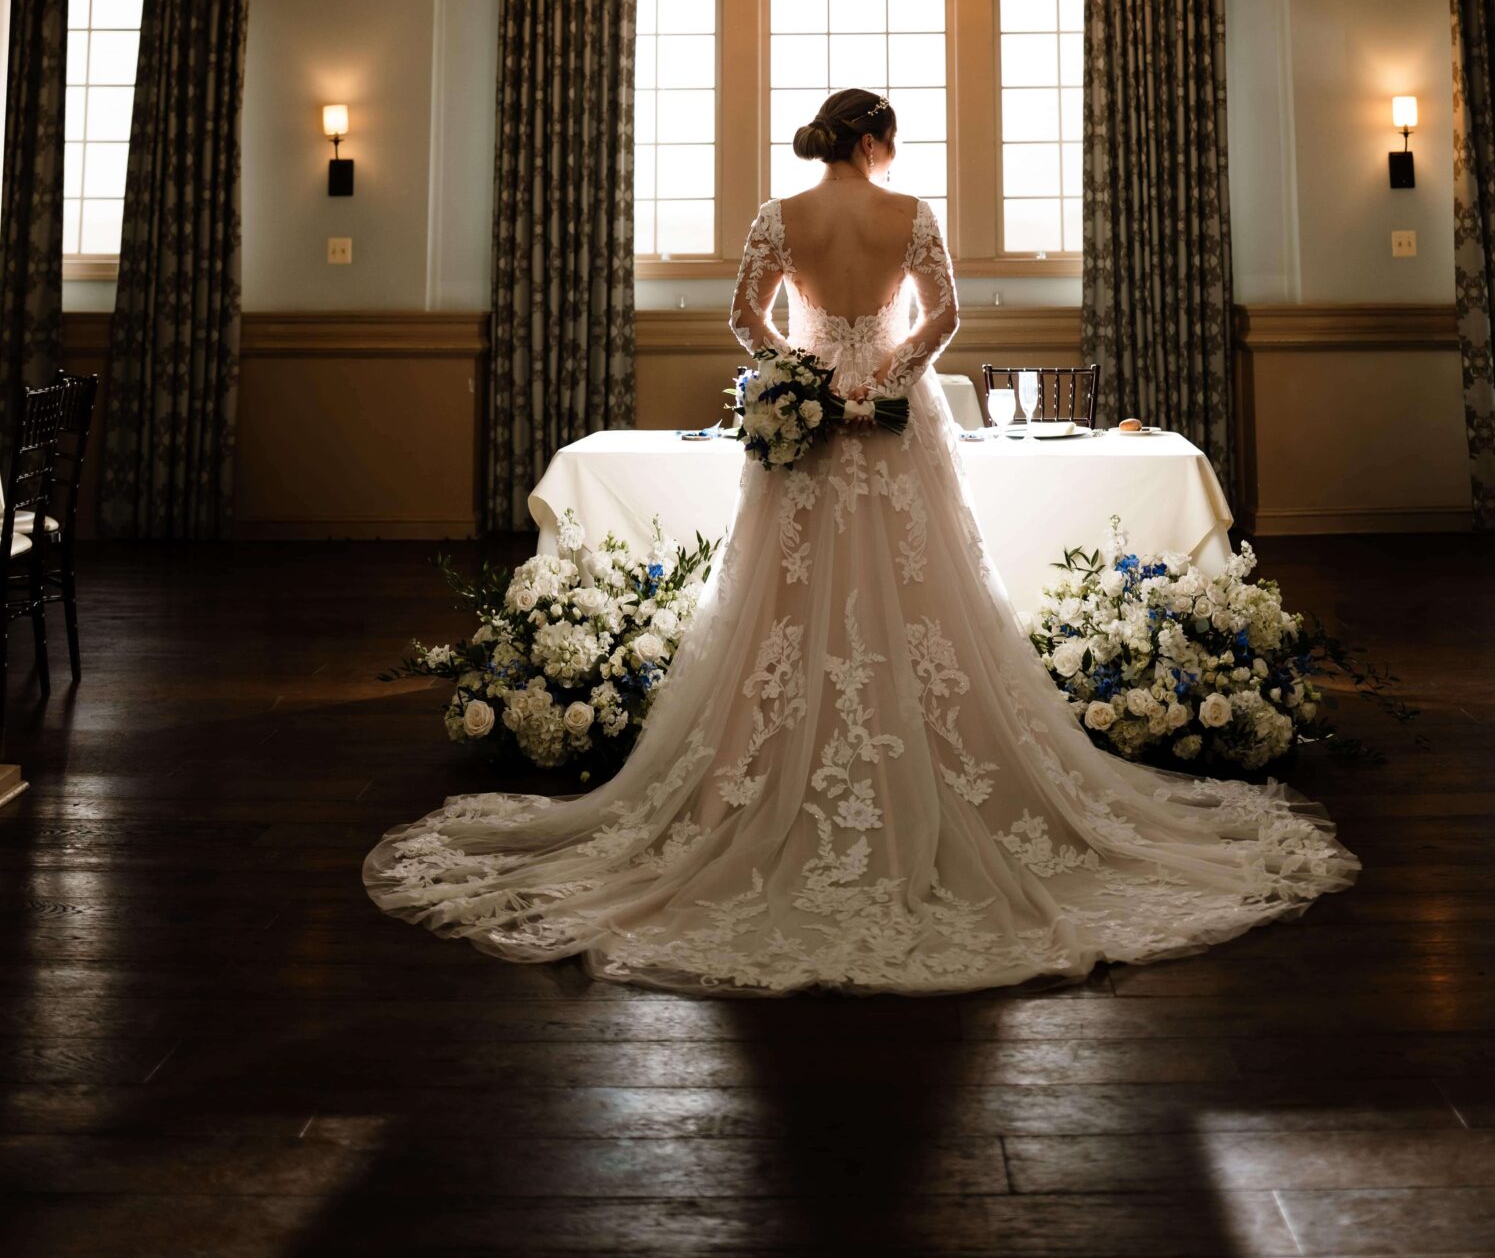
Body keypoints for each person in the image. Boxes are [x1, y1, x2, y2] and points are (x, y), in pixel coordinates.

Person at [365, 88, 1354, 990]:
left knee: (784, 599)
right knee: (923, 593)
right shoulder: (911, 213)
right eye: (891, 140)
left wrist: (800, 374)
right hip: (891, 424)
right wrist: (883, 376)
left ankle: (770, 779)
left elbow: (742, 316)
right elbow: (947, 317)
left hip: (802, 427)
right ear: (873, 140)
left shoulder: (777, 216)